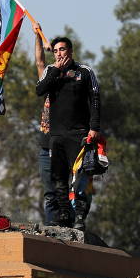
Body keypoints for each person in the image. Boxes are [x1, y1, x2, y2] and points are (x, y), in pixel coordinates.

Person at [35, 35, 101, 231]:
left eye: (62, 50)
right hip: (56, 136)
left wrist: (94, 127)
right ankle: (63, 215)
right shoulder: (51, 72)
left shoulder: (85, 72)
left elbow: (95, 99)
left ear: (70, 51)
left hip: (80, 134)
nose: (59, 54)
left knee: (82, 178)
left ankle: (80, 216)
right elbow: (40, 90)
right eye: (55, 51)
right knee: (58, 179)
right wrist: (55, 70)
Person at [32, 23, 57, 226]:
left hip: (67, 142)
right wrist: (38, 36)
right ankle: (52, 229)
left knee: (67, 190)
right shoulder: (49, 77)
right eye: (56, 52)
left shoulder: (75, 77)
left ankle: (70, 226)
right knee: (49, 192)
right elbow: (40, 61)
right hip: (46, 145)